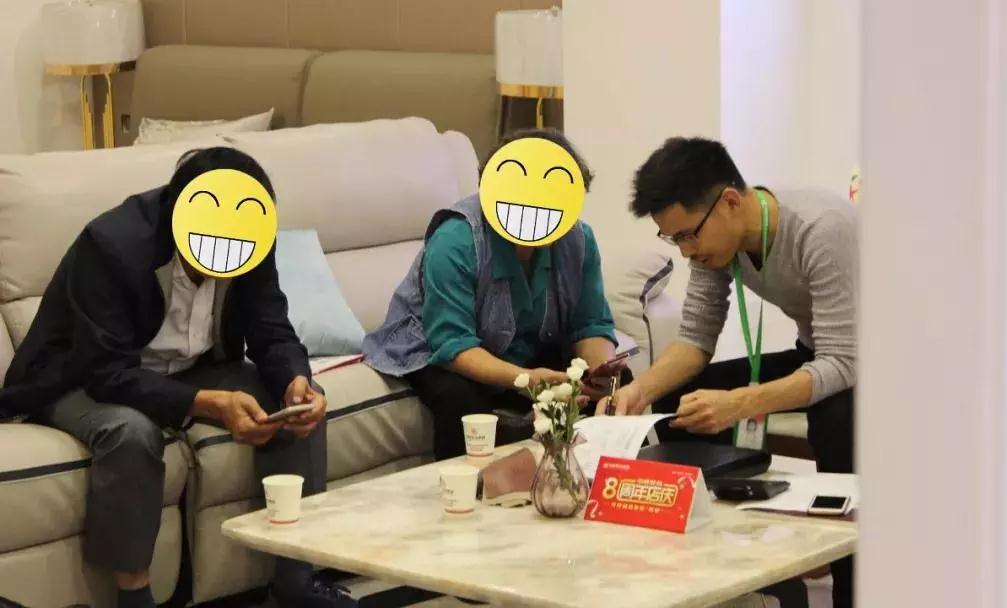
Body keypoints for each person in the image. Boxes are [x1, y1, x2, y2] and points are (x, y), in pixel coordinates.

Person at [0, 148, 354, 608]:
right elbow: (106, 371)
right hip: (80, 376)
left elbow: (271, 328)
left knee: (300, 404)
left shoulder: (249, 234)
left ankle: (295, 581)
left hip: (192, 365)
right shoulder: (112, 245)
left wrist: (295, 379)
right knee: (130, 433)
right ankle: (134, 597)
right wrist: (209, 403)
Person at [598, 137, 857, 608]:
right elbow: (695, 340)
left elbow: (843, 363)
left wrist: (740, 403)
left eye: (688, 235)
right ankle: (721, 571)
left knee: (835, 416)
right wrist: (639, 391)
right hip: (820, 353)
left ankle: (851, 587)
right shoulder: (717, 245)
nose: (685, 252)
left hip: (884, 367)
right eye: (674, 239)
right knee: (683, 400)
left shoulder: (821, 229)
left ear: (731, 202)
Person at [362, 130, 623, 460]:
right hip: (439, 350)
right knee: (460, 400)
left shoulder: (578, 239)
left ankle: (597, 478)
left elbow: (590, 324)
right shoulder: (456, 239)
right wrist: (525, 379)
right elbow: (452, 343)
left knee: (619, 386)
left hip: (524, 348)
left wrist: (598, 373)